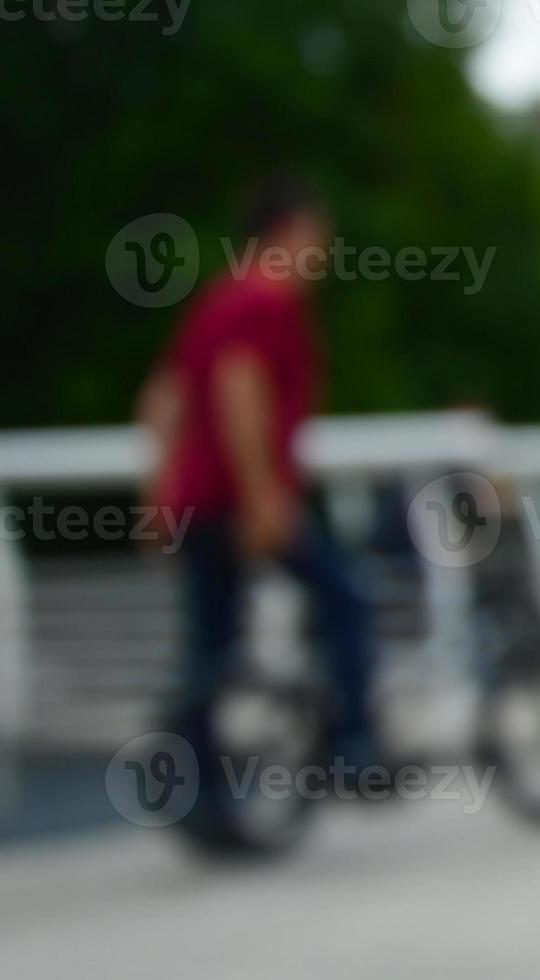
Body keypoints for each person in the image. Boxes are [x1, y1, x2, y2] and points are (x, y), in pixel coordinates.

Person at [138, 176, 378, 787]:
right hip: (237, 502)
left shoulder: (217, 301)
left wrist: (160, 496)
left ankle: (198, 791)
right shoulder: (266, 303)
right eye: (317, 237)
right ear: (291, 231)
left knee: (211, 652)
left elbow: (162, 399)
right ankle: (353, 747)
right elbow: (239, 391)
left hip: (199, 503)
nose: (321, 252)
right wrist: (262, 497)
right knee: (347, 602)